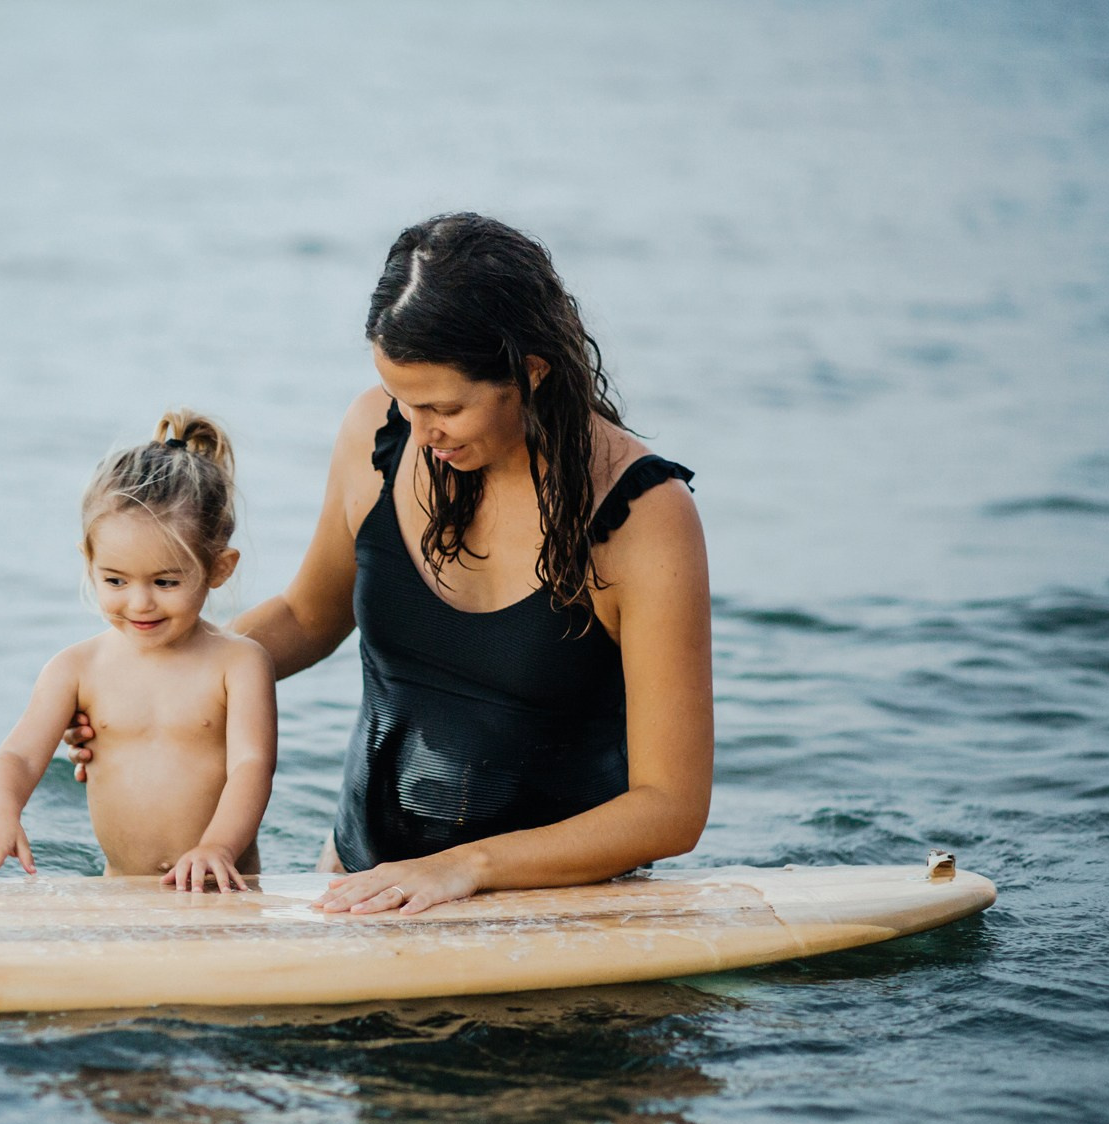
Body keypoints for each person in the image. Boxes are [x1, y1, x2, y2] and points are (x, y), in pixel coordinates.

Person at [65, 214, 713, 915]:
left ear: (529, 372)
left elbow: (671, 806)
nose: (419, 429)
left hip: (560, 914)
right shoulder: (379, 431)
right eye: (403, 398)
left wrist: (466, 867)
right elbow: (308, 614)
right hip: (359, 884)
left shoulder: (644, 516)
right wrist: (159, 685)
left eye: (444, 406)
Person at [0, 411, 278, 891]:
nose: (140, 602)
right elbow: (18, 757)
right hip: (119, 889)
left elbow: (253, 766)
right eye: (115, 580)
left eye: (166, 581)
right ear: (90, 565)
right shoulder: (76, 669)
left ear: (219, 568)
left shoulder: (240, 664)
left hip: (221, 886)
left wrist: (217, 847)